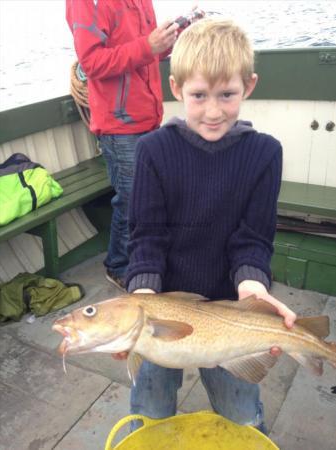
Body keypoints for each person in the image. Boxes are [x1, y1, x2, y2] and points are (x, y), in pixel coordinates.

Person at [119, 18, 297, 432]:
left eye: (227, 94)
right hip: (161, 314)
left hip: (230, 311)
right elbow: (147, 236)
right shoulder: (152, 151)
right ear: (177, 88)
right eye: (198, 95)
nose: (214, 111)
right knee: (149, 410)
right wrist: (142, 299)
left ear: (249, 86)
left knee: (242, 417)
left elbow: (252, 240)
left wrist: (252, 287)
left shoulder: (265, 154)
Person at [66, 0, 179, 288]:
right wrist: (148, 46)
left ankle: (145, 258)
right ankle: (118, 265)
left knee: (151, 196)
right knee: (131, 201)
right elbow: (91, 63)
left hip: (149, 116)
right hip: (119, 126)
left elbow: (148, 48)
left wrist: (169, 39)